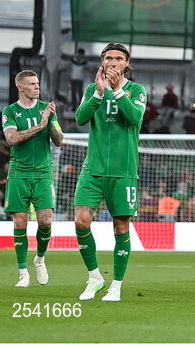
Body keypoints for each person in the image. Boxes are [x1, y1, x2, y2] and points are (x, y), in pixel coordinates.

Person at [73, 43, 147, 302]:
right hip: (92, 169)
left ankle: (116, 284)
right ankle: (94, 277)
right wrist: (98, 94)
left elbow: (135, 118)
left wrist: (116, 91)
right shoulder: (93, 89)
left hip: (123, 171)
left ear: (127, 63)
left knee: (120, 227)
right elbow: (80, 118)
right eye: (108, 58)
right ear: (102, 62)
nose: (113, 62)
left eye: (118, 58)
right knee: (81, 221)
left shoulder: (136, 90)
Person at [1, 69, 63, 287]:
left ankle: (40, 258)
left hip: (44, 172)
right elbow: (12, 138)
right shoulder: (10, 111)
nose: (37, 86)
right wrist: (40, 125)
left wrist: (50, 120)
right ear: (21, 87)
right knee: (20, 220)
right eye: (32, 84)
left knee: (46, 221)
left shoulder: (47, 109)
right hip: (19, 172)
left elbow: (59, 140)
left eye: (38, 83)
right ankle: (22, 272)